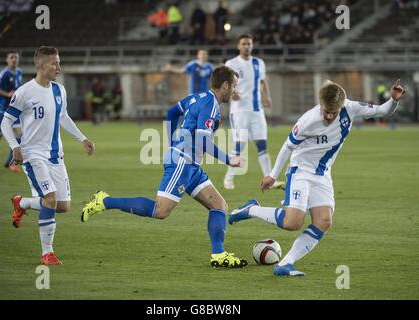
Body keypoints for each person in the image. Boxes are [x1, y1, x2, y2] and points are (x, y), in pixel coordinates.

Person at [229, 79, 406, 276]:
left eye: (334, 112)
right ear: (320, 104)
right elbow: (288, 145)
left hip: (323, 174)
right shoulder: (308, 120)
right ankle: (251, 209)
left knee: (324, 221)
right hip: (301, 171)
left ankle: (285, 264)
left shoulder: (351, 108)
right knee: (292, 223)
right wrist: (272, 175)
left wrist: (394, 99)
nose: (329, 116)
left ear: (342, 105)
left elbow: (382, 111)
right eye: (326, 111)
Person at [81, 66, 248, 269]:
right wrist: (228, 159)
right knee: (160, 211)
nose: (235, 91)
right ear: (224, 85)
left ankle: (219, 255)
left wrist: (171, 142)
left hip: (190, 164)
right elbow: (203, 141)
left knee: (219, 205)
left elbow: (172, 112)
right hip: (182, 163)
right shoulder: (210, 105)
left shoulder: (197, 97)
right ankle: (105, 201)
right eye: (234, 86)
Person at [0, 46, 95, 265]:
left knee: (62, 206)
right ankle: (47, 253)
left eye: (59, 62)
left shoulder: (58, 90)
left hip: (55, 155)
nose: (59, 67)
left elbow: (63, 117)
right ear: (42, 66)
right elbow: (6, 121)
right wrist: (15, 146)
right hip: (33, 156)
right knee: (50, 199)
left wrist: (82, 138)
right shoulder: (24, 92)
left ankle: (21, 203)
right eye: (55, 63)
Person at [223, 34, 284, 190]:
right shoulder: (231, 63)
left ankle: (270, 179)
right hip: (239, 111)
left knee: (262, 144)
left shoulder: (259, 63)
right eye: (243, 44)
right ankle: (228, 178)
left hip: (257, 110)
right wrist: (231, 94)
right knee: (239, 145)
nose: (246, 46)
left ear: (252, 45)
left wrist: (267, 96)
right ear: (238, 46)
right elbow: (225, 84)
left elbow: (262, 82)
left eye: (249, 44)